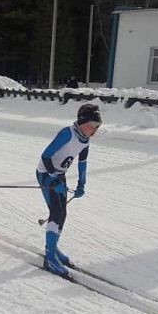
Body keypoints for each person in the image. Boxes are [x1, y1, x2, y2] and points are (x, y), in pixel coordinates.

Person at [36, 103, 101, 277]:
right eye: (93, 125)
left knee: (62, 213)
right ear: (82, 122)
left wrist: (82, 183)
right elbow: (46, 156)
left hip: (59, 175)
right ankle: (49, 258)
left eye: (97, 126)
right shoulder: (68, 134)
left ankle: (53, 248)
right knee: (56, 212)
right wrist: (53, 178)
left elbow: (82, 162)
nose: (95, 130)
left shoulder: (85, 140)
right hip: (46, 174)